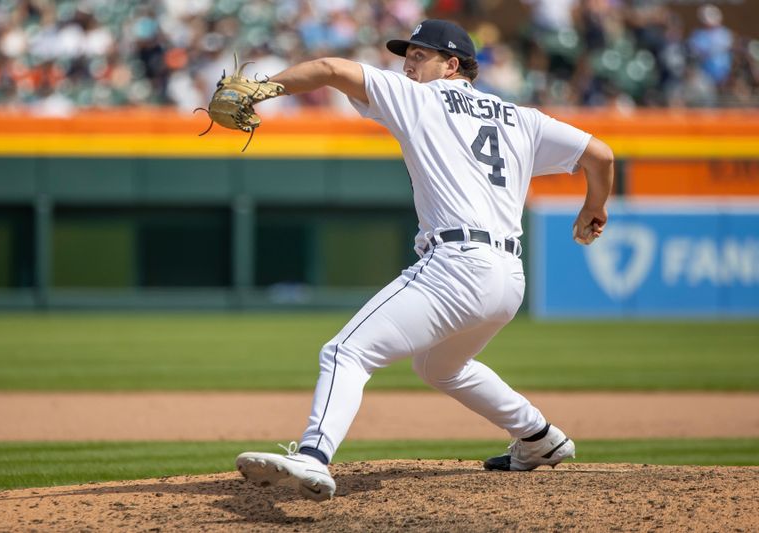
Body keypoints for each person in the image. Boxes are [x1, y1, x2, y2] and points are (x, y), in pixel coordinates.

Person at [236, 19, 613, 502]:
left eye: (419, 56)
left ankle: (313, 457)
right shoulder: (523, 118)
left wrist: (262, 89)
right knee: (441, 368)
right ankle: (540, 438)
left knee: (346, 352)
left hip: (456, 265)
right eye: (406, 56)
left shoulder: (421, 97)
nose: (408, 64)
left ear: (451, 65)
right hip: (508, 279)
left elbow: (331, 67)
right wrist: (594, 208)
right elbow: (600, 155)